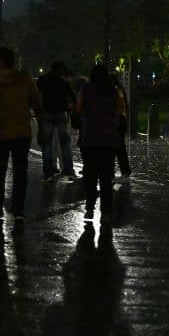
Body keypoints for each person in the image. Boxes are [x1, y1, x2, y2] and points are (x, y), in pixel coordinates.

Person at [0, 47, 44, 221]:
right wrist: (41, 128)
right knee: (20, 172)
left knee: (0, 169)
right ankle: (18, 209)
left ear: (0, 62)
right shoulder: (25, 79)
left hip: (1, 133)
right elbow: (37, 105)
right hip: (22, 133)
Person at [78, 64, 124, 223]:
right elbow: (119, 112)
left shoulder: (86, 90)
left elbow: (79, 110)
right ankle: (106, 212)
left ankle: (89, 209)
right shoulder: (114, 92)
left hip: (90, 138)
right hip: (109, 139)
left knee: (90, 176)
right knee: (106, 178)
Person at [37, 62, 77, 180]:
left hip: (47, 113)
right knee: (65, 143)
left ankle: (48, 172)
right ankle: (69, 170)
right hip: (61, 113)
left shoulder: (43, 80)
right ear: (59, 71)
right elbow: (71, 97)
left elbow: (37, 95)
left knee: (47, 144)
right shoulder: (62, 82)